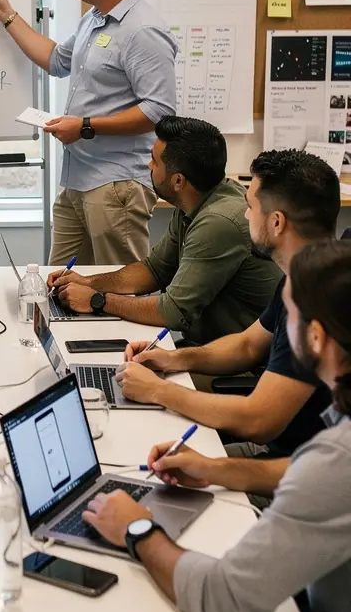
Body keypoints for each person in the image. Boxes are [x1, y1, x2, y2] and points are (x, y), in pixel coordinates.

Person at [82, 238, 351, 612]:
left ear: (316, 337)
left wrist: (138, 529)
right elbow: (323, 480)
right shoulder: (336, 441)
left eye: (288, 317)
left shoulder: (336, 458)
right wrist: (219, 469)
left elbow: (222, 599)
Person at [117, 149, 340, 459]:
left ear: (276, 222)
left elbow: (258, 420)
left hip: (294, 466)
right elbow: (248, 345)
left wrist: (157, 391)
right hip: (286, 456)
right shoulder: (304, 276)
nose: (246, 215)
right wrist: (172, 359)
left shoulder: (316, 301)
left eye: (251, 207)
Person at [0, 0, 176, 265]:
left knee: (120, 290)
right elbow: (56, 60)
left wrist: (85, 126)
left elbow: (159, 111)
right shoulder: (94, 19)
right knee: (59, 286)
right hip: (77, 180)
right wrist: (7, 15)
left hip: (117, 185)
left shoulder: (143, 30)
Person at [48, 116, 281, 344]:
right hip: (210, 349)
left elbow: (172, 311)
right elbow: (155, 270)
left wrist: (97, 300)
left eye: (155, 162)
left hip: (238, 369)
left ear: (178, 181)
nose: (149, 166)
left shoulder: (218, 221)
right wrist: (89, 283)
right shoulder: (196, 200)